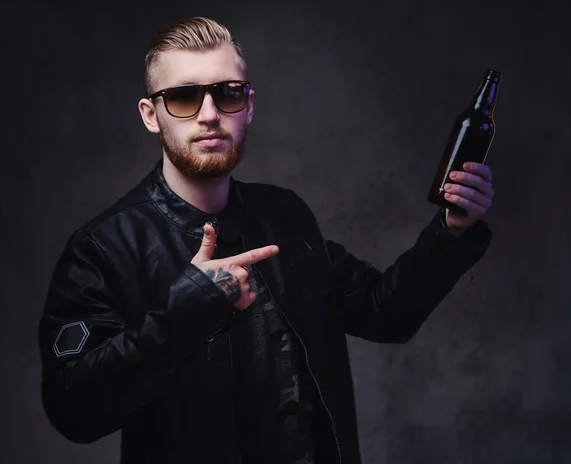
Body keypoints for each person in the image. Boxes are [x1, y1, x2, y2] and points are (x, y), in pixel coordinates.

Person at [38, 16, 494, 464]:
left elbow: (384, 313)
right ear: (151, 115)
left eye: (228, 93)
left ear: (249, 105)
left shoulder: (286, 215)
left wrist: (453, 230)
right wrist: (186, 310)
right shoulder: (103, 247)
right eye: (182, 97)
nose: (210, 114)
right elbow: (74, 412)